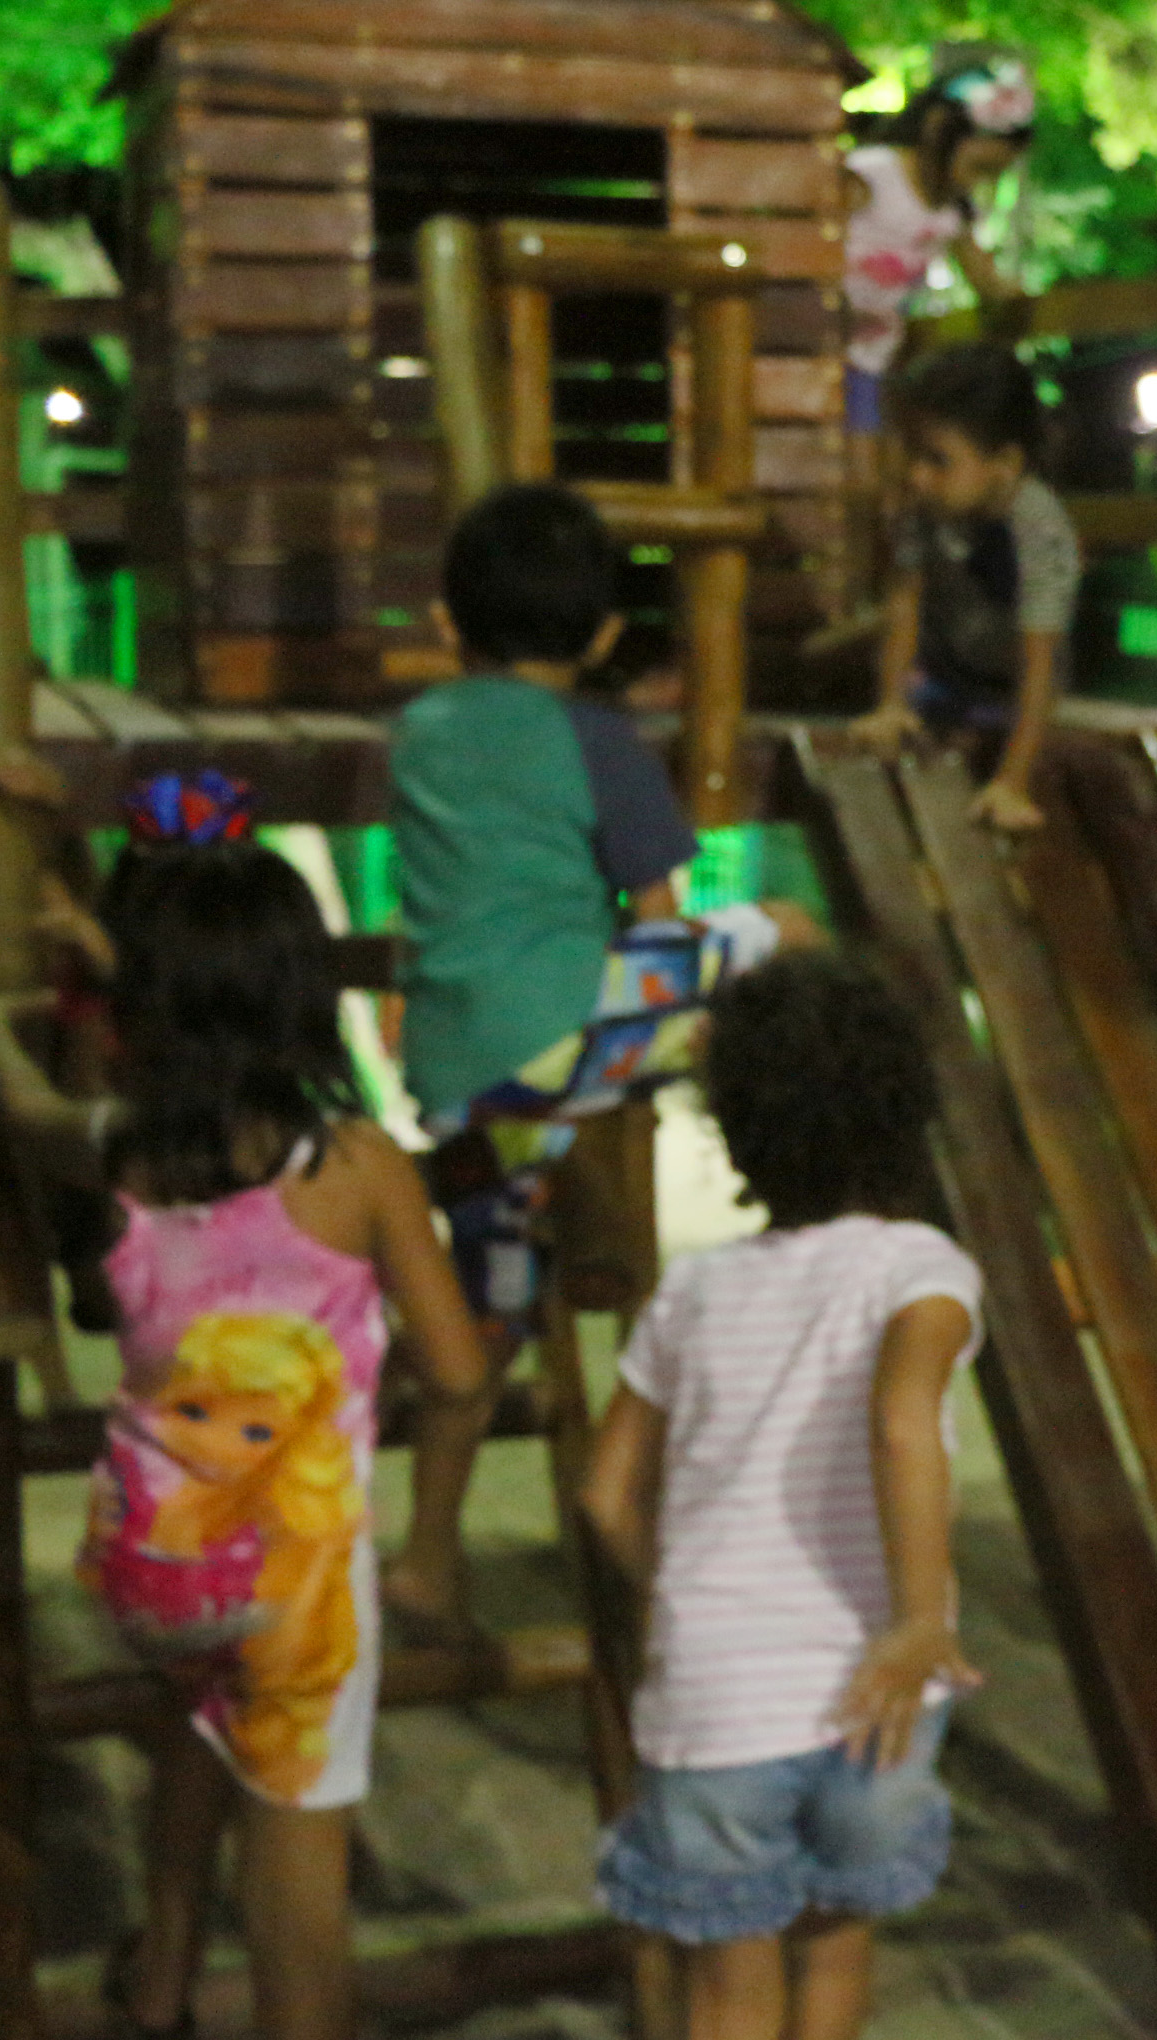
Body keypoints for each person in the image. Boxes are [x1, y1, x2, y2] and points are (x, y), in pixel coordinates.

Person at [0, 834, 494, 2040]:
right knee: (301, 1880)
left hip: (154, 1568)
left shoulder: (121, 1150)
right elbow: (459, 1373)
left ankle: (160, 1979)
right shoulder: (356, 1168)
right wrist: (426, 1523)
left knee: (201, 1723)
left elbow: (32, 1105)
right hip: (294, 1586)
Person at [386, 481, 814, 1624]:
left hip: (450, 1071)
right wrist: (702, 1019)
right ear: (609, 636)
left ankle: (428, 1552)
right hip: (568, 1040)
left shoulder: (418, 732)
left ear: (446, 621)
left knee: (482, 1323)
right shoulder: (598, 738)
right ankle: (771, 1177)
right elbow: (666, 920)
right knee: (788, 930)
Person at [580, 949, 982, 2040]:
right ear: (903, 1110)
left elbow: (608, 1493)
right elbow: (904, 1419)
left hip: (714, 1704)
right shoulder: (920, 1268)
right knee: (836, 1946)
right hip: (877, 1694)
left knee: (727, 1991)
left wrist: (692, 1598)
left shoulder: (696, 1287)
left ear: (739, 1124)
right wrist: (916, 1618)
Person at [844, 347, 1080, 836]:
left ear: (1006, 463)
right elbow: (903, 604)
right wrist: (891, 703)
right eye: (914, 454)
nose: (917, 474)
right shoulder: (925, 507)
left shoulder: (1038, 526)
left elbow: (1041, 658)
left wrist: (1013, 781)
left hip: (1015, 683)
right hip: (948, 677)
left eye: (938, 459)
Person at [839, 51, 1037, 436]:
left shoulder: (954, 214)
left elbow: (986, 281)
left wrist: (1013, 300)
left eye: (995, 175)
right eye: (980, 168)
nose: (981, 184)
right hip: (821, 347)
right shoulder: (870, 175)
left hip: (875, 362)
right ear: (937, 130)